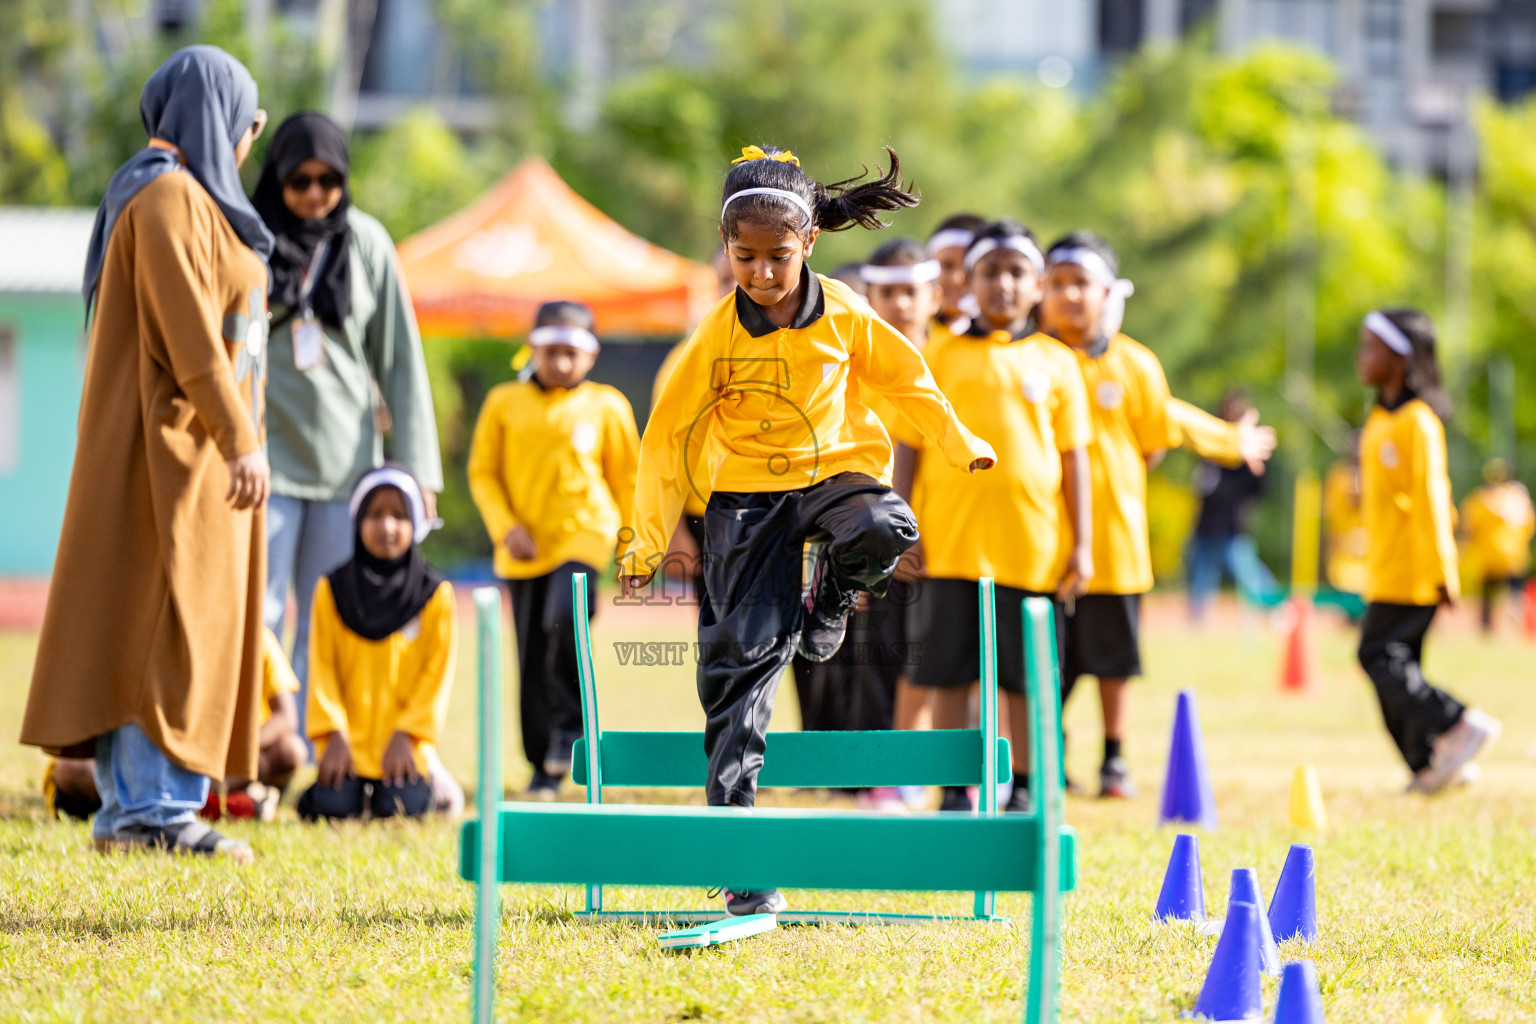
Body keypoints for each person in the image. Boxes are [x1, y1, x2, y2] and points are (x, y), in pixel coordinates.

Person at [620, 144, 996, 916]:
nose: (761, 274)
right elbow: (664, 440)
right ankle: (739, 851)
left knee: (887, 524)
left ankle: (829, 598)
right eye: (745, 257)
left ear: (811, 244)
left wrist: (961, 443)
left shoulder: (847, 313)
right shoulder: (714, 336)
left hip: (834, 478)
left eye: (778, 258)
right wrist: (646, 540)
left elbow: (907, 381)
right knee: (737, 669)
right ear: (726, 250)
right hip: (746, 500)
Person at [20, 46, 273, 862]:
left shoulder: (190, 198)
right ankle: (146, 811)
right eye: (248, 121)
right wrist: (238, 436)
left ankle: (155, 805)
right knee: (159, 627)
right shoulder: (165, 197)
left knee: (178, 625)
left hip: (201, 458)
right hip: (173, 457)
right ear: (216, 112)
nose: (251, 138)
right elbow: (192, 337)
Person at [253, 112, 443, 734]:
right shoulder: (249, 237)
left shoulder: (367, 242)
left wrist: (415, 473)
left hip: (348, 468)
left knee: (323, 617)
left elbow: (400, 360)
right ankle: (253, 746)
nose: (313, 193)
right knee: (257, 613)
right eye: (299, 180)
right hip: (264, 461)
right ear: (276, 178)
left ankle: (311, 748)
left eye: (328, 179)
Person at [908, 221, 1093, 814]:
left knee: (1024, 678)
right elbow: (912, 443)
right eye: (991, 272)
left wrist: (1082, 544)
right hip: (951, 544)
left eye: (1017, 273)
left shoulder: (1058, 362)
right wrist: (903, 528)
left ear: (1037, 285)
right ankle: (954, 788)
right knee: (948, 672)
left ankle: (1029, 788)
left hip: (1030, 549)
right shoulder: (938, 354)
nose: (1003, 285)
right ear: (969, 281)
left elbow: (1075, 458)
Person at [467, 301, 640, 799]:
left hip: (585, 534)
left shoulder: (608, 405)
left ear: (590, 355)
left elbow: (627, 481)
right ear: (533, 349)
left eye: (571, 353)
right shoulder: (503, 402)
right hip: (522, 549)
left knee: (563, 616)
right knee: (531, 653)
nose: (561, 363)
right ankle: (543, 762)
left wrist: (631, 547)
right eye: (550, 352)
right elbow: (483, 473)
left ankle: (572, 732)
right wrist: (505, 529)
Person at [1039, 231, 1175, 801]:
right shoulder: (1034, 359)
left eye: (1083, 285)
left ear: (1107, 293)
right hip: (1046, 538)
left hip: (1115, 539)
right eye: (1059, 284)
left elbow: (1154, 442)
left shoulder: (1137, 363)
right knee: (1049, 657)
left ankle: (1114, 756)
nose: (1071, 296)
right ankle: (1050, 753)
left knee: (1114, 657)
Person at [1354, 309, 1501, 792]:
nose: (1362, 357)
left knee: (1377, 656)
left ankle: (1457, 722)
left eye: (1371, 348)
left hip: (1414, 570)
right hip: (1384, 568)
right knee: (1394, 667)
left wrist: (1444, 572)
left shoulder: (1419, 423)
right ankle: (1428, 763)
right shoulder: (1379, 419)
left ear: (1401, 358)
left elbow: (1433, 502)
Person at [299, 467, 458, 821]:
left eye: (399, 516)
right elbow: (321, 667)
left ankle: (435, 779)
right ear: (358, 521)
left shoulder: (434, 595)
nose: (387, 527)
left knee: (401, 807)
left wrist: (408, 733)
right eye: (375, 515)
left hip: (403, 745)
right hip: (346, 745)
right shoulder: (332, 590)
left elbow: (436, 674)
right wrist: (334, 734)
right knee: (332, 807)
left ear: (416, 524)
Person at [1186, 389, 1279, 621]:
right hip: (1207, 525)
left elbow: (1259, 489)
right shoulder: (1212, 445)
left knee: (1249, 574)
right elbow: (1204, 486)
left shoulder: (1251, 451)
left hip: (1233, 526)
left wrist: (1254, 466)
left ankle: (1277, 609)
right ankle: (1196, 623)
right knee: (1201, 578)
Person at [1459, 458, 1534, 632]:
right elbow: (1529, 524)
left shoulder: (1479, 499)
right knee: (1515, 593)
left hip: (1489, 555)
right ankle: (1518, 624)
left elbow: (1470, 528)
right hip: (1514, 555)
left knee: (1487, 597)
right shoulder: (1518, 498)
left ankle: (1487, 627)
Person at [1323, 432, 1368, 604]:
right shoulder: (1338, 476)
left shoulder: (1375, 475)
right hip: (1344, 548)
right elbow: (1332, 510)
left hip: (1369, 551)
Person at [926, 213, 987, 334]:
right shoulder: (908, 337)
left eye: (968, 267)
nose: (957, 278)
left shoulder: (1012, 343)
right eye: (947, 265)